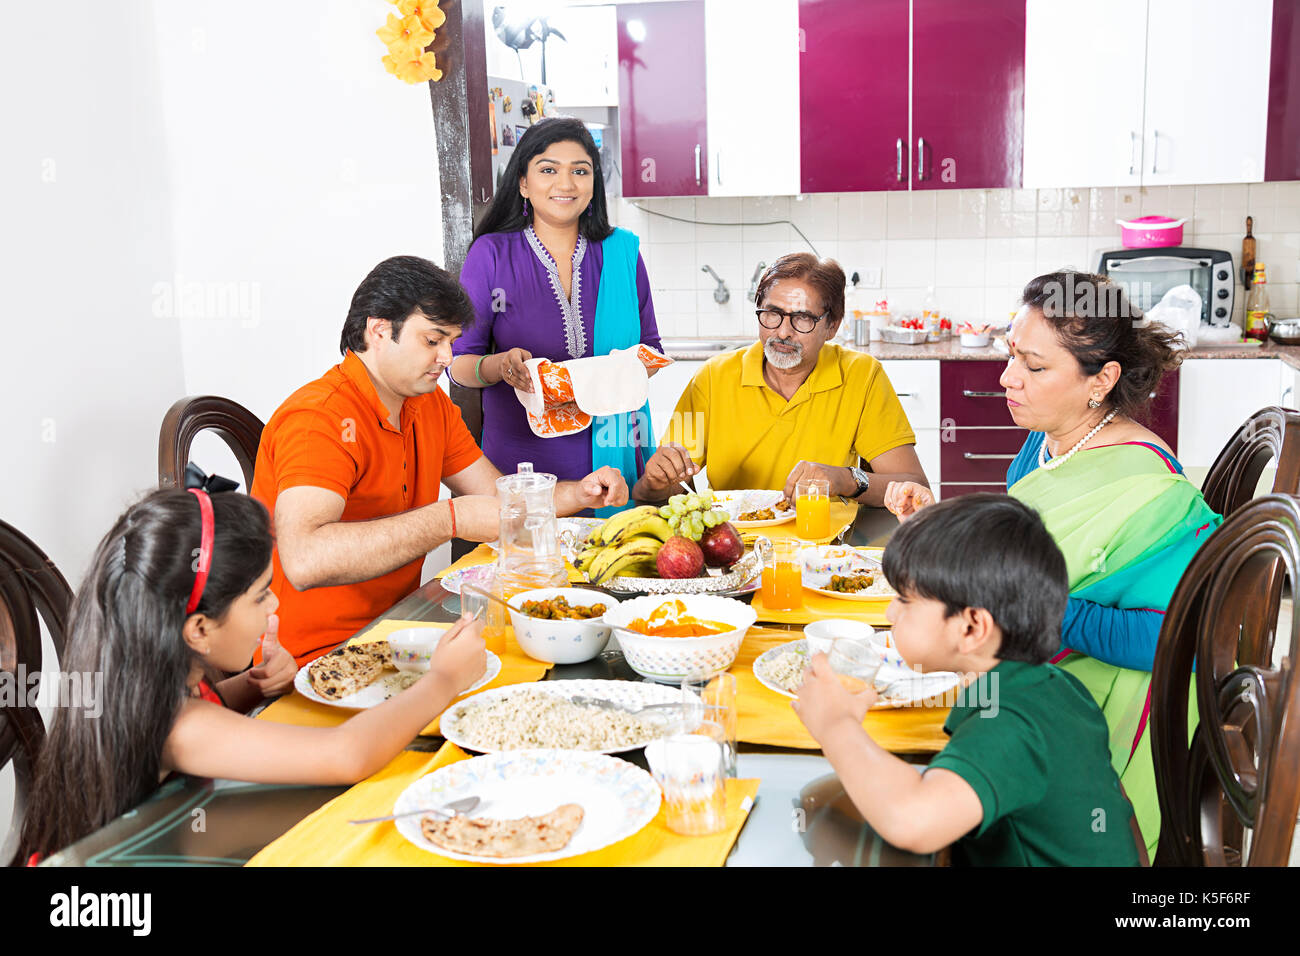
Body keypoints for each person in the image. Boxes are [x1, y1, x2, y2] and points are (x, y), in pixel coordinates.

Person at [883, 271, 1221, 856]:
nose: (1007, 378)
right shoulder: (1050, 439)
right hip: (1029, 667)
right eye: (1011, 355)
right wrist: (948, 528)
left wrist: (1025, 601)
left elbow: (1177, 638)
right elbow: (1031, 542)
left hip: (1090, 713)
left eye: (1034, 368)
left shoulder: (1153, 491)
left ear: (1102, 380)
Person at [14, 488, 487, 865]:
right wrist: (442, 681)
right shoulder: (180, 727)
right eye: (261, 595)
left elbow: (204, 707)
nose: (275, 604)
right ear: (198, 629)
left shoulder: (144, 683)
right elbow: (345, 755)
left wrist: (252, 686)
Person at [251, 255, 628, 665]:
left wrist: (582, 492)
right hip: (312, 657)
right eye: (433, 341)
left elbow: (497, 498)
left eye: (451, 341)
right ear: (378, 330)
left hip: (401, 631)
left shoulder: (428, 406)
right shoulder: (319, 417)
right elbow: (306, 561)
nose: (447, 357)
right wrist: (451, 519)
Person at [794, 493, 1141, 866]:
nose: (890, 610)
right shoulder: (1055, 684)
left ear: (973, 627)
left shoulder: (1010, 725)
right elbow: (1119, 807)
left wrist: (835, 724)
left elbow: (914, 821)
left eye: (906, 601)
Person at [451, 117, 663, 503]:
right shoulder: (492, 255)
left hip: (615, 463)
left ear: (594, 183)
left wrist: (611, 373)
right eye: (548, 169)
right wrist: (500, 367)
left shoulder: (622, 254)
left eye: (580, 171)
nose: (565, 184)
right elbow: (460, 363)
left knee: (617, 561)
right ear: (523, 183)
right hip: (524, 470)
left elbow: (651, 351)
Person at [632, 252, 928, 506]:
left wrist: (846, 479)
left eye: (803, 318)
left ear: (832, 326)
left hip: (823, 545)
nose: (783, 332)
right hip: (734, 545)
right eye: (772, 314)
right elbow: (662, 492)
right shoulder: (712, 377)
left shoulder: (861, 376)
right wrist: (656, 482)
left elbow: (914, 487)